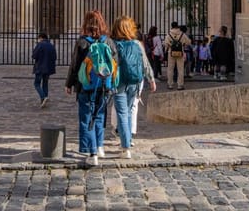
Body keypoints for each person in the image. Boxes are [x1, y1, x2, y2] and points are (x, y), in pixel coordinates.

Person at [65, 10, 118, 166]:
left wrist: (69, 84)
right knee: (100, 116)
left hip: (86, 85)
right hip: (104, 86)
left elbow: (74, 65)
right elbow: (115, 63)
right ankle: (100, 146)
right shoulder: (108, 41)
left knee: (86, 118)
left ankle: (92, 152)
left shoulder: (82, 42)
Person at [110, 16, 156, 159]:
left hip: (119, 83)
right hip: (134, 82)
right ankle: (128, 140)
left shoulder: (112, 44)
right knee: (129, 111)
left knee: (122, 114)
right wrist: (151, 79)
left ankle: (125, 147)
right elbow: (145, 63)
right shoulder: (137, 44)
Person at [163, 21, 191, 90]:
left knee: (170, 69)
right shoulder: (182, 34)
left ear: (171, 26)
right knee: (180, 69)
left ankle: (170, 84)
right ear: (177, 26)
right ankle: (180, 85)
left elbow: (165, 44)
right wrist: (183, 44)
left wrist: (169, 46)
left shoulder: (169, 35)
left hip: (171, 53)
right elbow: (189, 42)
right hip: (180, 53)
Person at [32, 32, 57, 108]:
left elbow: (34, 56)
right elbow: (55, 57)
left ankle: (43, 97)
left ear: (41, 38)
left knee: (37, 84)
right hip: (48, 68)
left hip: (40, 67)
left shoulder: (40, 45)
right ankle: (44, 99)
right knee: (45, 84)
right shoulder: (51, 46)